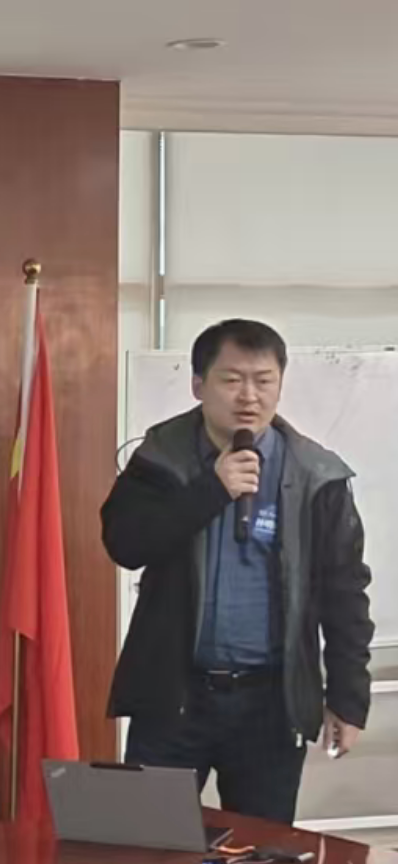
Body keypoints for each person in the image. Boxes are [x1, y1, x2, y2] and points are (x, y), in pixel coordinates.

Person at [102, 319, 374, 824]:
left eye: (263, 380)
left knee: (263, 848)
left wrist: (348, 697)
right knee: (147, 839)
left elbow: (345, 593)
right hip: (173, 698)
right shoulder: (160, 459)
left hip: (269, 706)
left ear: (279, 385)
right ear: (198, 385)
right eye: (231, 380)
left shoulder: (316, 476)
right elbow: (126, 544)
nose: (249, 396)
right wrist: (211, 490)